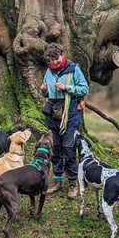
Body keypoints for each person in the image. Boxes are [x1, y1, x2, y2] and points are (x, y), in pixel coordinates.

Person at [40, 43, 89, 199]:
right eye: (51, 59)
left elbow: (84, 89)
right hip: (53, 114)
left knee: (68, 150)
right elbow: (48, 93)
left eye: (56, 58)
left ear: (62, 54)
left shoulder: (74, 69)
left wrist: (66, 87)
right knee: (56, 149)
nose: (54, 62)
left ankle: (73, 183)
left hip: (70, 114)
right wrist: (44, 91)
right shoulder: (49, 70)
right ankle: (58, 180)